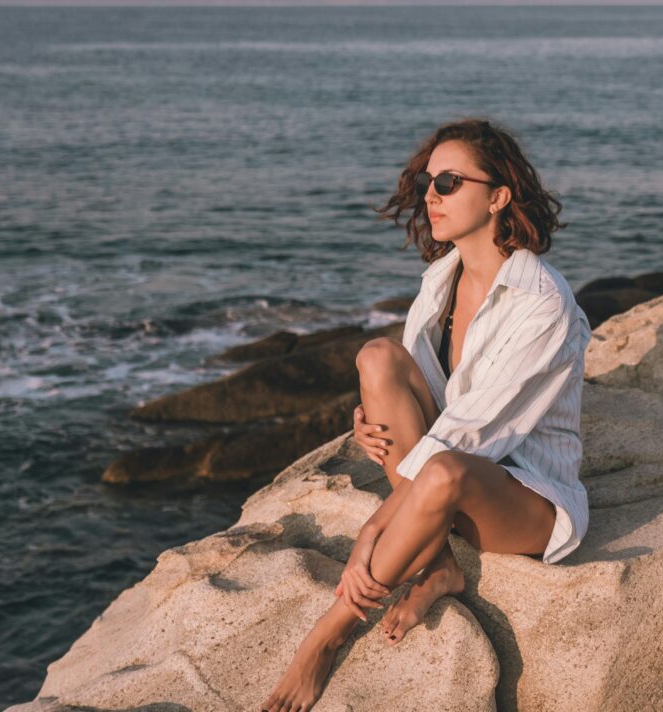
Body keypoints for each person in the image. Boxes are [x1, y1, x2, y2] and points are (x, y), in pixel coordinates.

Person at [261, 117, 592, 712]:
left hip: (526, 498)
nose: (431, 197)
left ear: (497, 197)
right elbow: (431, 404)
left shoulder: (542, 304)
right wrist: (378, 418)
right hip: (455, 468)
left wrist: (375, 527)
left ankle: (329, 634)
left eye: (447, 182)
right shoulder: (442, 278)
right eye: (427, 184)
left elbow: (468, 437)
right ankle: (439, 565)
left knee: (441, 472)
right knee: (377, 357)